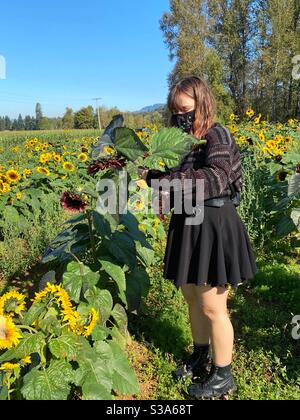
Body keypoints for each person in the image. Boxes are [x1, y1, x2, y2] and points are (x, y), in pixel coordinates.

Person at [138, 75, 258, 400]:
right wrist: (151, 178)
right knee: (192, 295)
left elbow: (216, 178)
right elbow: (181, 179)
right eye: (175, 111)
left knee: (212, 306)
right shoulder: (184, 143)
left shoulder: (216, 134)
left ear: (201, 105)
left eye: (186, 110)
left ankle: (223, 375)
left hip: (213, 223)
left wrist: (169, 182)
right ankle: (201, 353)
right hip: (189, 221)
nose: (180, 117)